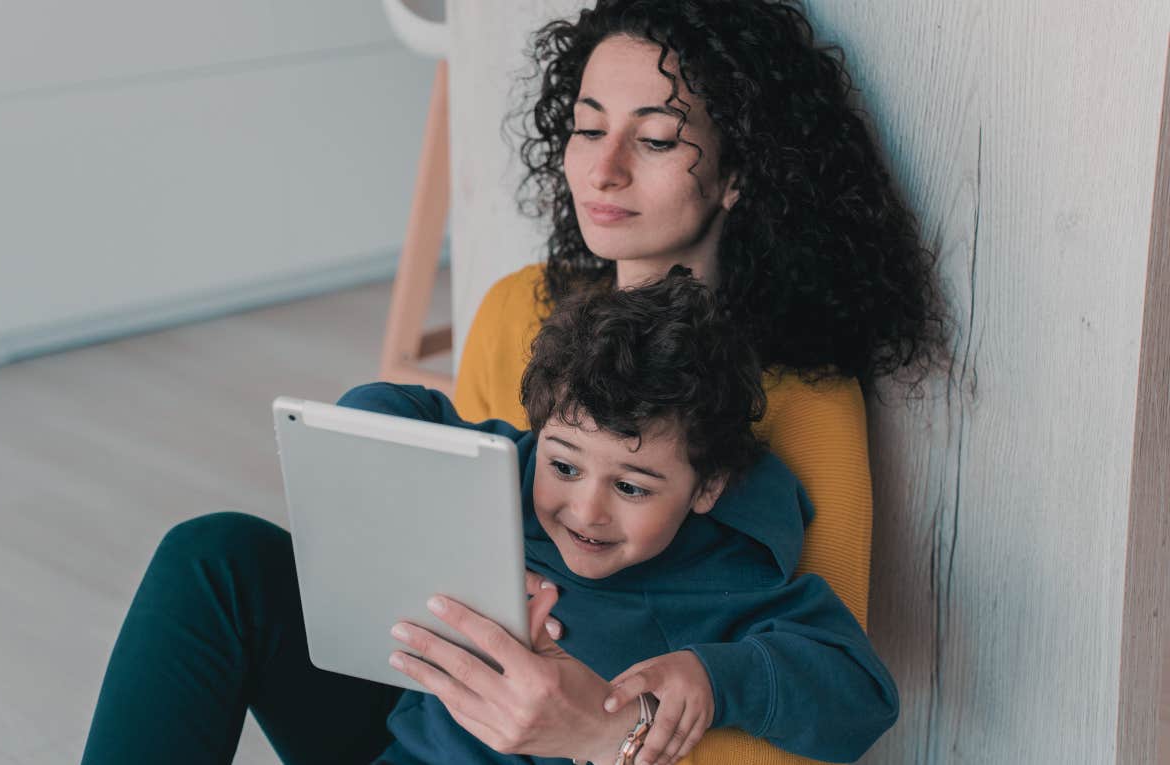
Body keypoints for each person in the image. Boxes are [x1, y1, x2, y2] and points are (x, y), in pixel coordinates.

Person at [82, 1, 946, 763]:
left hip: (572, 743)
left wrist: (602, 728)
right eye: (587, 126)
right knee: (214, 557)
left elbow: (814, 724)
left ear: (735, 174)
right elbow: (447, 460)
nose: (602, 170)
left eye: (653, 138)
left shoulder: (800, 402)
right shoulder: (524, 310)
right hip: (429, 717)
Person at [372, 270, 898, 764]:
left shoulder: (726, 575)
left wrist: (714, 680)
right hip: (407, 738)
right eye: (565, 466)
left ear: (707, 487)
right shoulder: (513, 471)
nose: (585, 511)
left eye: (630, 487)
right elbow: (388, 409)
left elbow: (862, 694)